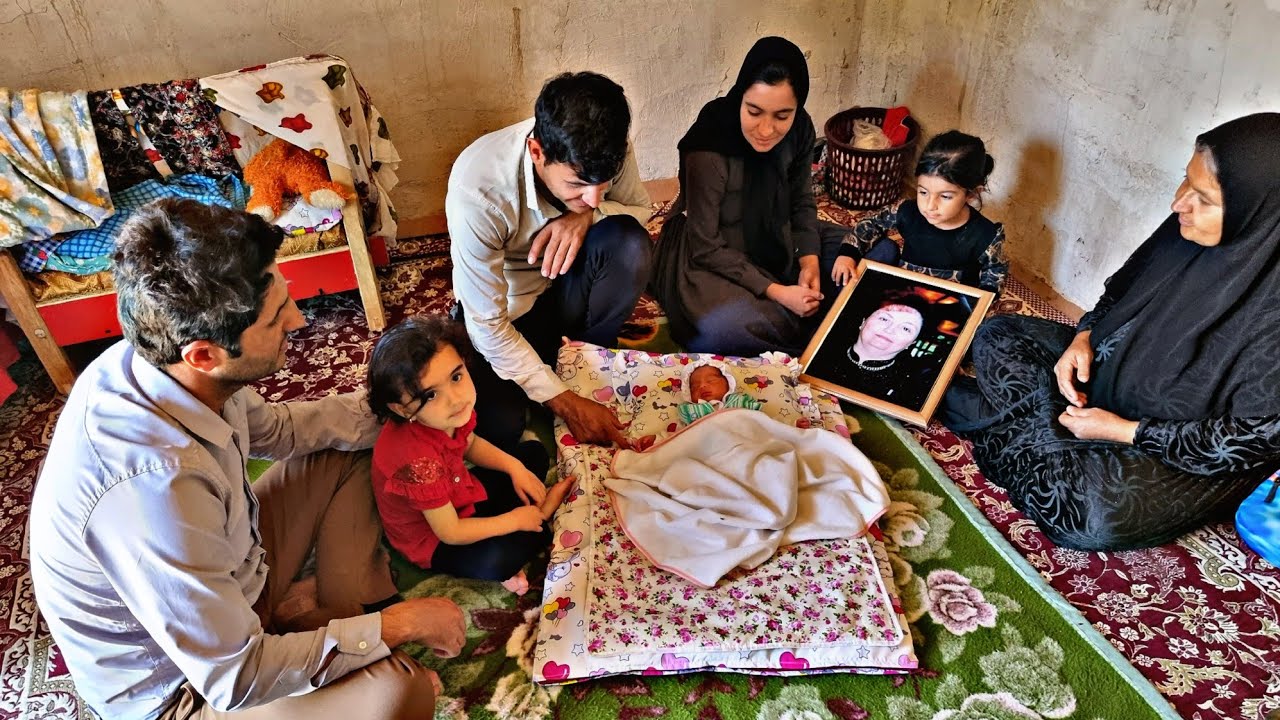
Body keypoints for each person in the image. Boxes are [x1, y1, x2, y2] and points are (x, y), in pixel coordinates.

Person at [28, 199, 466, 720]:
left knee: (357, 446)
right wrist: (401, 625)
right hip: (188, 691)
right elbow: (232, 677)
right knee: (400, 694)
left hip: (237, 579)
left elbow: (278, 430)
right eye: (277, 317)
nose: (299, 321)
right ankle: (337, 636)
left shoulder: (168, 360)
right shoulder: (154, 489)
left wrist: (409, 404)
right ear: (205, 354)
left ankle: (324, 617)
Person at [942, 113, 1280, 551]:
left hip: (1179, 445)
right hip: (1116, 372)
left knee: (1092, 516)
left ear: (1261, 212)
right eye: (1185, 181)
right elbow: (1120, 291)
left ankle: (1008, 419)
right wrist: (1084, 336)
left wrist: (1125, 432)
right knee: (998, 334)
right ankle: (1047, 431)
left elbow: (1245, 443)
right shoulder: (1184, 230)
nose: (1179, 203)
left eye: (1204, 197)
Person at [447, 71, 653, 452]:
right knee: (496, 428)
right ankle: (561, 375)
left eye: (603, 183)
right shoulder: (478, 189)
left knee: (629, 244)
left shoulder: (605, 147)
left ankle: (589, 354)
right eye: (577, 185)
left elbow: (641, 210)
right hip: (510, 310)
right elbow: (488, 325)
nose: (593, 197)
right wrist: (567, 402)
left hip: (568, 289)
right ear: (537, 152)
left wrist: (585, 217)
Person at [650, 36, 852, 357]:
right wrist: (778, 292)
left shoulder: (800, 129)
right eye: (754, 111)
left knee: (854, 251)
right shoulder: (710, 146)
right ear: (740, 97)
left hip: (774, 231)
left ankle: (825, 316)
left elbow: (800, 202)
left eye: (782, 116)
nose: (766, 129)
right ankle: (830, 326)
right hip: (711, 253)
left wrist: (809, 261)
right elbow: (705, 246)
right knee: (719, 329)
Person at [366, 316, 572, 596]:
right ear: (402, 410)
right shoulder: (418, 462)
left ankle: (528, 520)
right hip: (433, 536)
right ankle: (543, 514)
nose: (455, 398)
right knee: (500, 559)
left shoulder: (451, 414)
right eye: (430, 395)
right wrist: (514, 520)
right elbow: (450, 532)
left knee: (531, 456)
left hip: (456, 489)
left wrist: (514, 468)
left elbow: (469, 443)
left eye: (456, 376)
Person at [833, 130, 1008, 295]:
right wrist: (847, 255)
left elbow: (995, 272)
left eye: (945, 196)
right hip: (903, 294)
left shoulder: (985, 235)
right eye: (923, 192)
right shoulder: (908, 212)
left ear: (970, 194)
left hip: (950, 306)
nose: (929, 205)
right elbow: (871, 224)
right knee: (880, 256)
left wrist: (984, 299)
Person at [830, 297, 932, 409]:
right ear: (863, 322)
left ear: (911, 343)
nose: (889, 330)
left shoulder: (910, 387)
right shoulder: (819, 352)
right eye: (884, 319)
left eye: (906, 329)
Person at [677, 359, 763, 425]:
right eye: (694, 386)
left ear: (728, 383)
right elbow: (684, 433)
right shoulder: (689, 410)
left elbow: (760, 419)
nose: (702, 386)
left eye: (711, 380)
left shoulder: (740, 401)